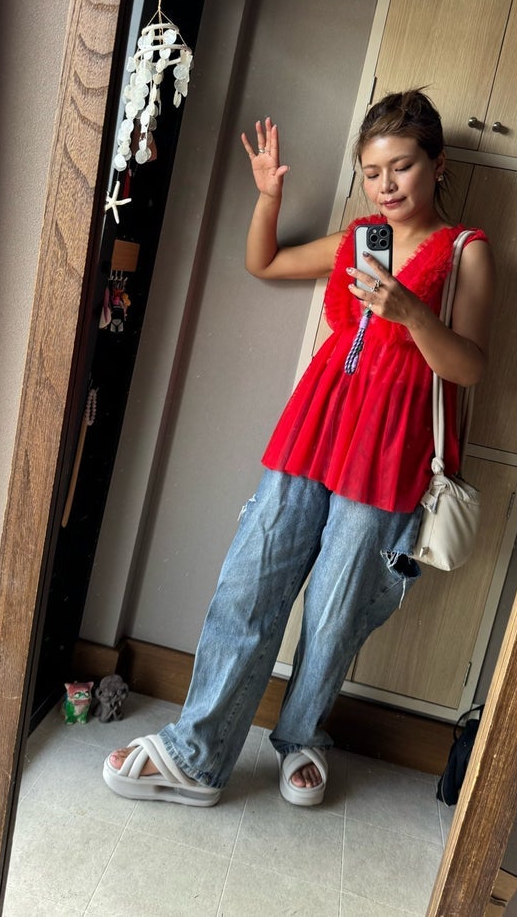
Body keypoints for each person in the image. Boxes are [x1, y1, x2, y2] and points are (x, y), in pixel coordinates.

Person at [103, 88, 495, 808]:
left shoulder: (465, 250)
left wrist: (409, 311)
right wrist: (267, 198)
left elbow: (467, 367)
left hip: (391, 449)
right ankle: (197, 754)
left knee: (337, 609)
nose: (386, 186)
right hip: (316, 427)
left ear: (438, 165)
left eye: (402, 167)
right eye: (372, 172)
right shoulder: (358, 239)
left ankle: (302, 737)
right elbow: (265, 262)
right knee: (250, 583)